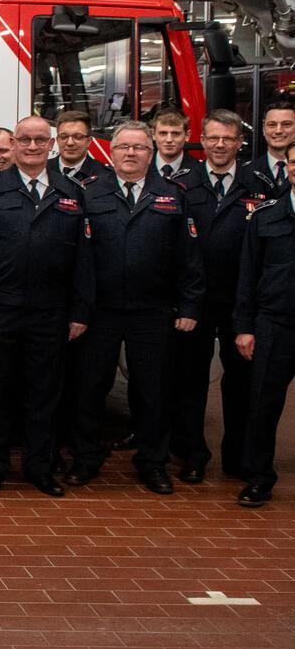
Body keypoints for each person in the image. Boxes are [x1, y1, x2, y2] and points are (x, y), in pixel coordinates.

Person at [67, 120, 203, 496]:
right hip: (99, 310)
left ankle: (153, 462)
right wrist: (76, 308)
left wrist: (189, 306)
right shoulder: (89, 192)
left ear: (151, 152)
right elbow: (76, 257)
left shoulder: (173, 194)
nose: (131, 153)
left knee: (152, 391)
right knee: (90, 386)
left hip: (153, 309)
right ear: (110, 153)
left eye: (139, 147)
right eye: (124, 147)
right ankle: (86, 457)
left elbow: (190, 258)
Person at [0, 115, 92, 497]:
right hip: (0, 306)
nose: (32, 147)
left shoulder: (72, 191)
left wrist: (81, 310)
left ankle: (39, 466)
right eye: (25, 140)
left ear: (51, 145)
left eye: (39, 141)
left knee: (44, 393)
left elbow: (83, 258)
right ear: (14, 144)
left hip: (51, 310)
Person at [171, 110, 256, 482]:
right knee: (189, 381)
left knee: (241, 384)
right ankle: (192, 455)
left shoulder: (258, 185)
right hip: (194, 301)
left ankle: (237, 457)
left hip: (240, 301)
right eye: (213, 138)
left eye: (228, 138)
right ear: (202, 141)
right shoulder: (180, 184)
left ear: (239, 143)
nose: (220, 145)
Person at [233, 170, 295, 507]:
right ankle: (258, 478)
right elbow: (248, 272)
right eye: (294, 162)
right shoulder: (266, 214)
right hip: (275, 323)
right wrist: (244, 327)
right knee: (262, 404)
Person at [238, 97, 295, 199]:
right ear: (264, 130)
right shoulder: (244, 173)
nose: (278, 131)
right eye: (272, 125)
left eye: (286, 124)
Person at [47, 110, 106, 183]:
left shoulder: (106, 176)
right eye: (64, 137)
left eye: (78, 137)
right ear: (57, 140)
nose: (70, 143)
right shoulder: (41, 170)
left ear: (89, 141)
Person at [149, 108, 202, 185]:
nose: (169, 140)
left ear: (187, 136)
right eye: (163, 133)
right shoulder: (140, 167)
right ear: (153, 134)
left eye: (175, 134)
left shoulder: (199, 171)